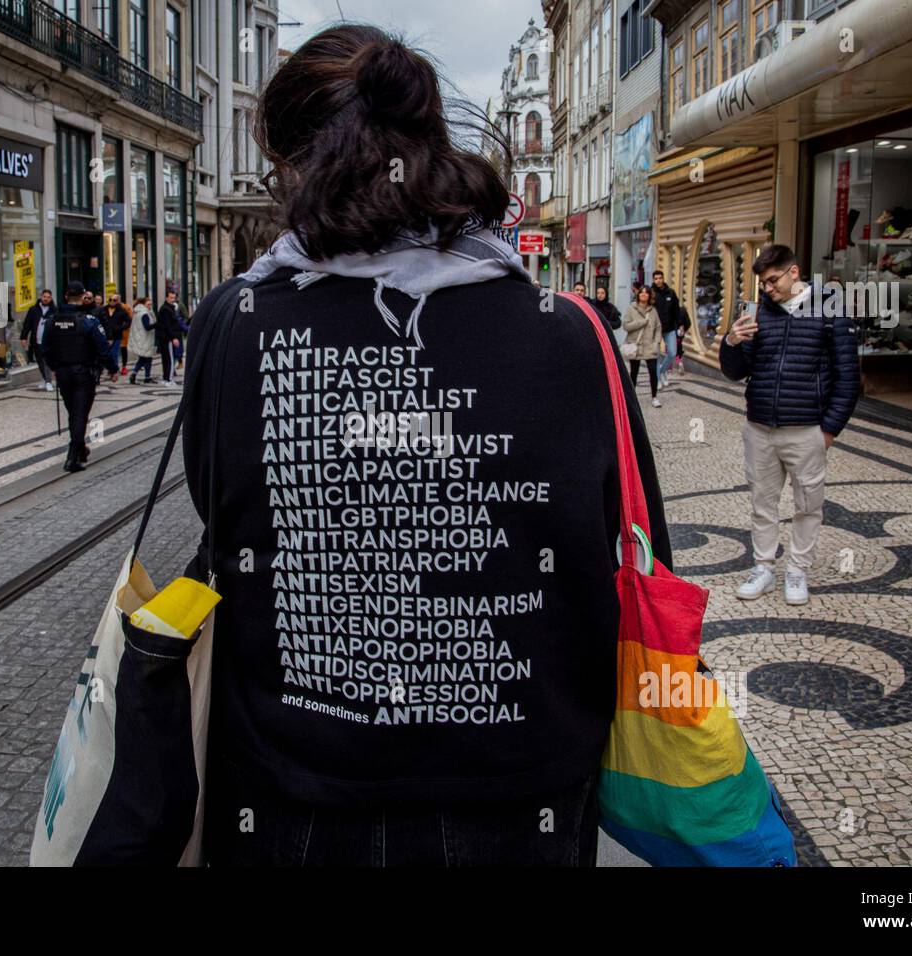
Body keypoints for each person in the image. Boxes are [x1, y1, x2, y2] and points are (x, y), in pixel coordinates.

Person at [180, 25, 670, 867]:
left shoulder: (234, 321)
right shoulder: (573, 335)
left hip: (295, 797)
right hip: (526, 801)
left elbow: (220, 514)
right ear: (434, 144)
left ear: (293, 168)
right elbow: (637, 538)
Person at [719, 243, 860, 605]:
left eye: (772, 280)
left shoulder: (829, 309)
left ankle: (797, 569)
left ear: (794, 272)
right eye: (763, 284)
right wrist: (732, 341)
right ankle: (763, 566)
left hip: (807, 428)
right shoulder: (758, 312)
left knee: (808, 503)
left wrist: (828, 429)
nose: (767, 289)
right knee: (762, 502)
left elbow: (848, 377)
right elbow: (735, 372)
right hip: (760, 426)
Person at [41, 282, 120, 472]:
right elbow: (102, 347)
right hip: (84, 373)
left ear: (66, 296)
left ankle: (80, 449)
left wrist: (54, 367)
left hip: (63, 373)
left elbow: (45, 348)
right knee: (80, 413)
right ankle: (72, 457)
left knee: (73, 412)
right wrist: (112, 369)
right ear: (83, 296)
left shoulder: (52, 320)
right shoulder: (88, 320)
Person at [621, 285, 662, 408]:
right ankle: (632, 399)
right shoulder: (631, 309)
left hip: (650, 346)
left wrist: (657, 342)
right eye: (642, 293)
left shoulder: (653, 311)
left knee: (653, 372)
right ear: (638, 295)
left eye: (646, 293)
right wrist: (641, 322)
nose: (644, 295)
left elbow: (658, 327)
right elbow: (626, 326)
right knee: (634, 373)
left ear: (650, 295)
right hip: (636, 346)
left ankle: (654, 397)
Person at [651, 269, 683, 385]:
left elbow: (676, 310)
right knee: (656, 355)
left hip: (669, 328)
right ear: (653, 280)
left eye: (660, 278)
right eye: (656, 279)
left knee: (672, 352)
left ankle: (662, 371)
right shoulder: (651, 293)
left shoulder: (671, 293)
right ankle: (658, 379)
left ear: (663, 279)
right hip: (655, 330)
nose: (658, 280)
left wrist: (680, 324)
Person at [20, 289, 57, 391]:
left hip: (49, 341)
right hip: (36, 340)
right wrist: (23, 337)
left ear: (51, 298)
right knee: (40, 361)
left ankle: (48, 381)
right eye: (44, 296)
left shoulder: (54, 311)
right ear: (41, 297)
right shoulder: (33, 309)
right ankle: (45, 379)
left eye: (48, 297)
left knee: (46, 362)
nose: (46, 299)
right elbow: (27, 324)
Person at [156, 289, 185, 389]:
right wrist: (173, 338)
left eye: (174, 298)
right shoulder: (166, 309)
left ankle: (166, 378)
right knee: (170, 359)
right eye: (171, 298)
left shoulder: (168, 308)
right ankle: (168, 379)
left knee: (167, 358)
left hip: (165, 337)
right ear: (166, 298)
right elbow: (168, 325)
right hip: (167, 338)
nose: (173, 299)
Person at [128, 296, 158, 384]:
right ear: (143, 304)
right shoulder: (144, 314)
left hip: (140, 338)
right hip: (145, 339)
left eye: (151, 304)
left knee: (144, 358)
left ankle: (138, 374)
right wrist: (157, 324)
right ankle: (143, 376)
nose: (150, 306)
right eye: (148, 304)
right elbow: (147, 327)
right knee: (146, 358)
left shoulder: (138, 312)